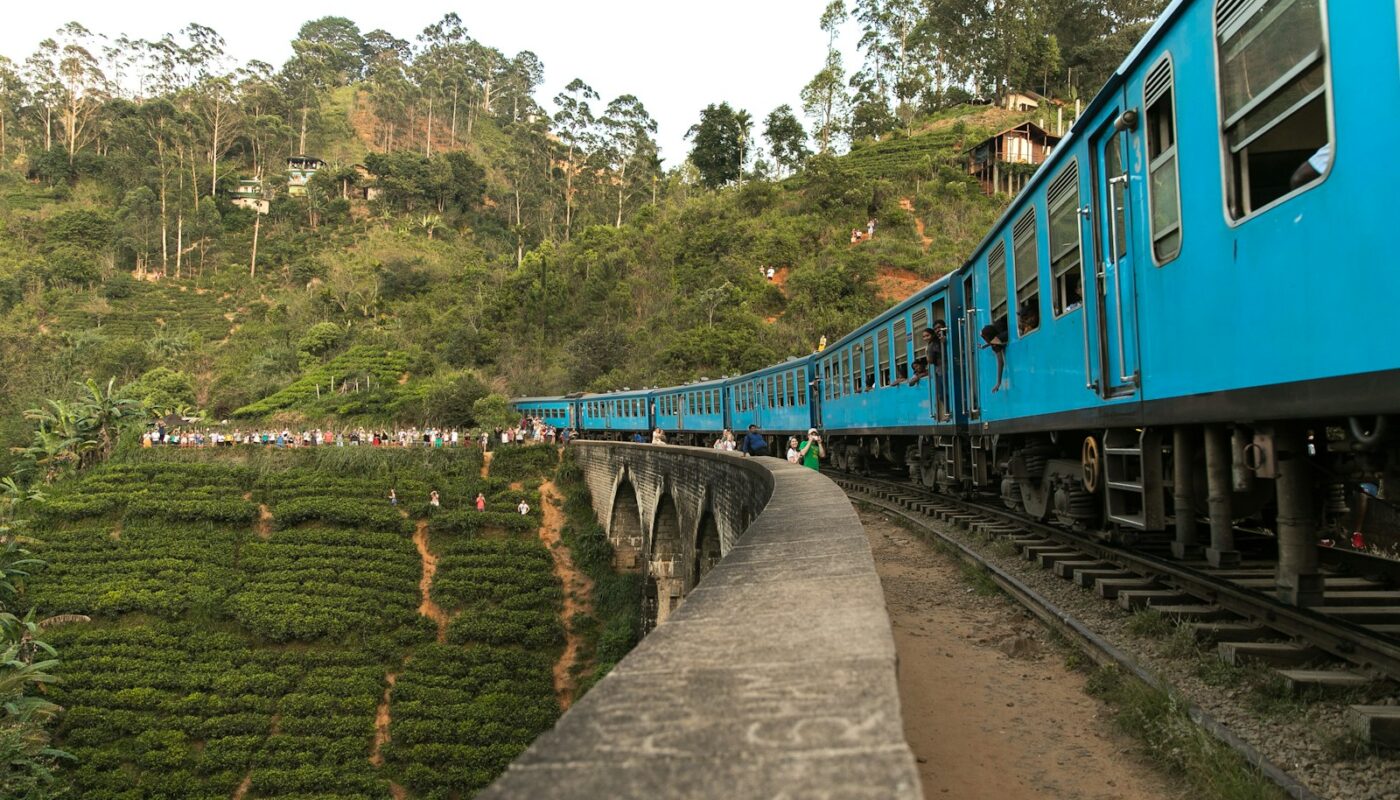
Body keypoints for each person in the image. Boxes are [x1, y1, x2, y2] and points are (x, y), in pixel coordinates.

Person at [981, 317, 1009, 392]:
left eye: (984, 337)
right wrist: (988, 345)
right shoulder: (998, 325)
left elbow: (1000, 362)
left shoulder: (995, 343)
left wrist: (998, 383)